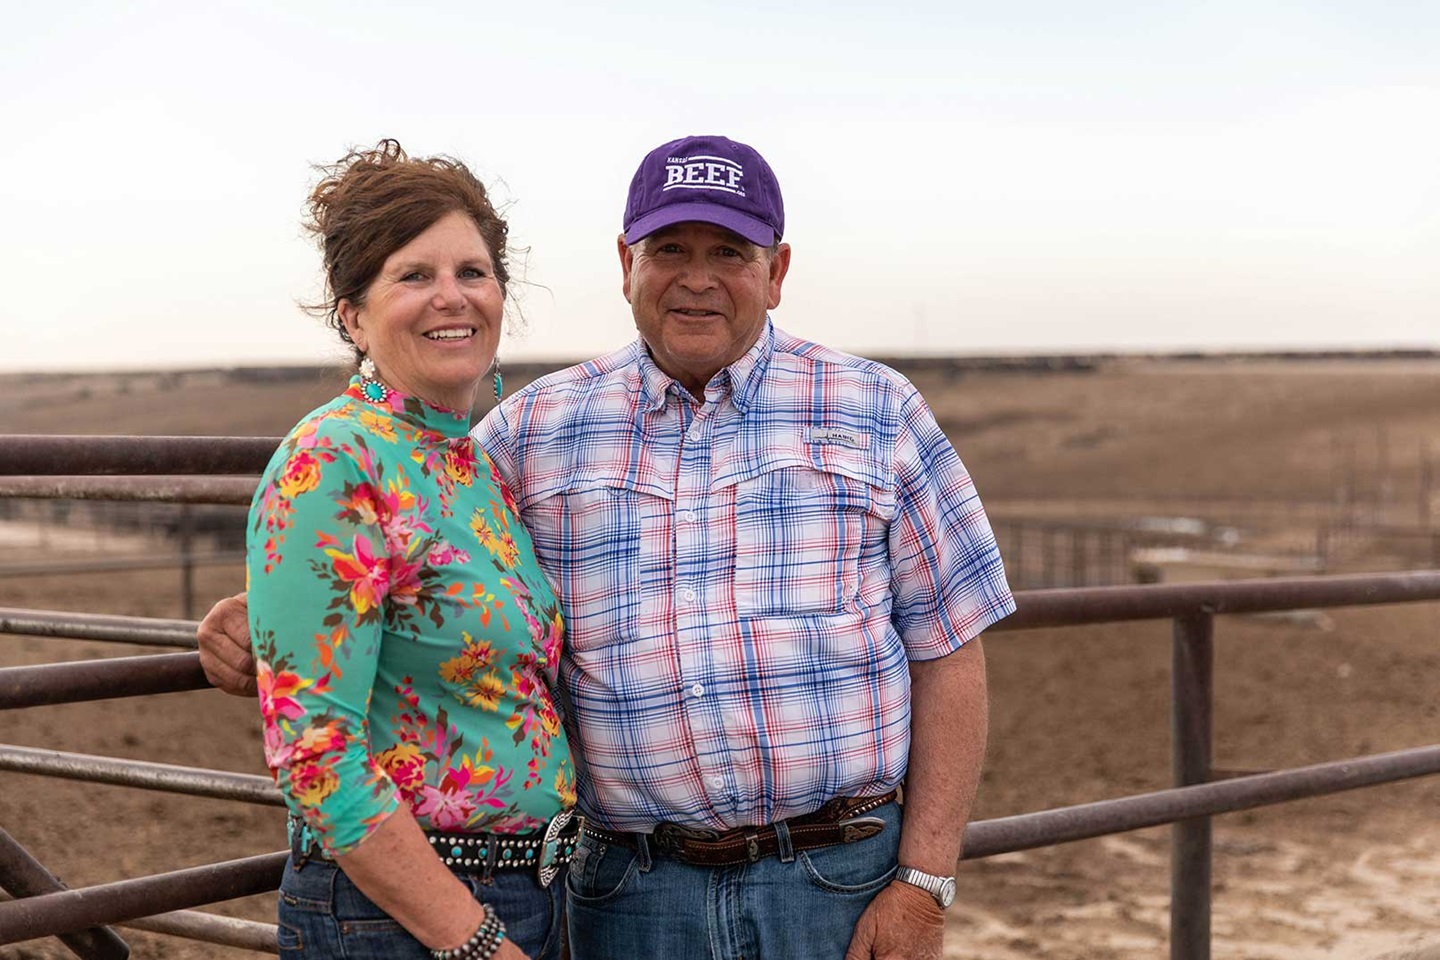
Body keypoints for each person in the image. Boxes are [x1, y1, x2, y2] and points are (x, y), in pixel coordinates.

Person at [202, 133, 1014, 960]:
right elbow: (370, 563)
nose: (696, 277)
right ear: (626, 261)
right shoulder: (530, 432)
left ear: (777, 271)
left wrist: (924, 882)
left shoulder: (878, 411)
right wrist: (265, 613)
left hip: (839, 882)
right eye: (669, 249)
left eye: (728, 251)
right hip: (628, 897)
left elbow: (949, 647)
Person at [238, 139, 576, 960]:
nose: (451, 297)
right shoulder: (335, 460)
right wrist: (475, 943)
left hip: (530, 895)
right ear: (352, 314)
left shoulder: (472, 467)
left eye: (473, 272)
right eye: (413, 275)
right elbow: (315, 752)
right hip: (404, 918)